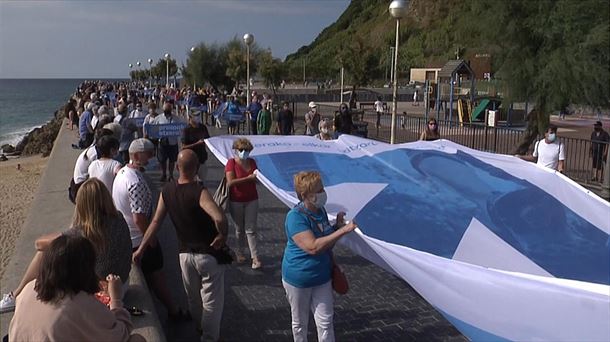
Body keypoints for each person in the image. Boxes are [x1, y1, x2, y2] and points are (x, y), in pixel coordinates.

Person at [134, 150, 229, 341]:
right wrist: (222, 235)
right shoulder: (199, 191)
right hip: (208, 253)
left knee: (193, 298)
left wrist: (141, 249)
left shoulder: (167, 191)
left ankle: (200, 328)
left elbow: (154, 223)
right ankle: (209, 338)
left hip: (184, 255)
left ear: (177, 167)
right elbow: (218, 216)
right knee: (211, 301)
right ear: (196, 168)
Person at [0, 178, 133, 314]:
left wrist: (74, 224)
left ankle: (17, 295)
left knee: (46, 252)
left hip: (103, 293)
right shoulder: (118, 218)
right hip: (122, 284)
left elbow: (39, 244)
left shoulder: (83, 232)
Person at [8, 235, 142, 341]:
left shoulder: (29, 288)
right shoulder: (81, 303)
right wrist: (116, 300)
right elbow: (120, 335)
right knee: (137, 339)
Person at [282, 171, 356, 342]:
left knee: (326, 322)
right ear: (306, 195)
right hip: (299, 279)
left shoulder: (320, 210)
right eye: (319, 190)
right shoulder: (295, 217)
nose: (323, 192)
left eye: (322, 188)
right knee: (300, 323)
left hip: (322, 277)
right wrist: (344, 231)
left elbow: (326, 242)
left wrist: (336, 227)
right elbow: (313, 247)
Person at [112, 138, 181, 318]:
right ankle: (173, 311)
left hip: (127, 236)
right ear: (135, 156)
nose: (152, 158)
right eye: (149, 155)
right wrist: (151, 239)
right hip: (138, 238)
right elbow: (139, 217)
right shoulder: (135, 182)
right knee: (157, 276)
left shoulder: (122, 173)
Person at [225, 138, 262, 269]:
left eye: (246, 150)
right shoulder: (231, 163)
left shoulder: (252, 162)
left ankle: (255, 257)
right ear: (236, 150)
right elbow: (230, 182)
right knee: (239, 229)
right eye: (241, 150)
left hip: (252, 199)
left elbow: (257, 179)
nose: (244, 152)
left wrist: (259, 179)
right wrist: (248, 179)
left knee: (251, 229)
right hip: (236, 200)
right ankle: (240, 252)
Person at [153, 102, 183, 181]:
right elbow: (154, 129)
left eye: (169, 109)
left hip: (172, 142)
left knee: (172, 160)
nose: (167, 111)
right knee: (162, 160)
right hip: (162, 143)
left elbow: (180, 129)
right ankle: (163, 174)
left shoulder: (176, 118)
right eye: (166, 109)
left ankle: (171, 175)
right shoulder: (158, 118)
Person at [182, 111, 210, 182]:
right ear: (190, 118)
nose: (197, 118)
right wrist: (196, 143)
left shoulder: (203, 127)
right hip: (191, 159)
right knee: (191, 181)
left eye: (198, 115)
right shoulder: (186, 130)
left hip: (202, 158)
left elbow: (208, 139)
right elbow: (183, 147)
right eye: (195, 116)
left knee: (201, 181)